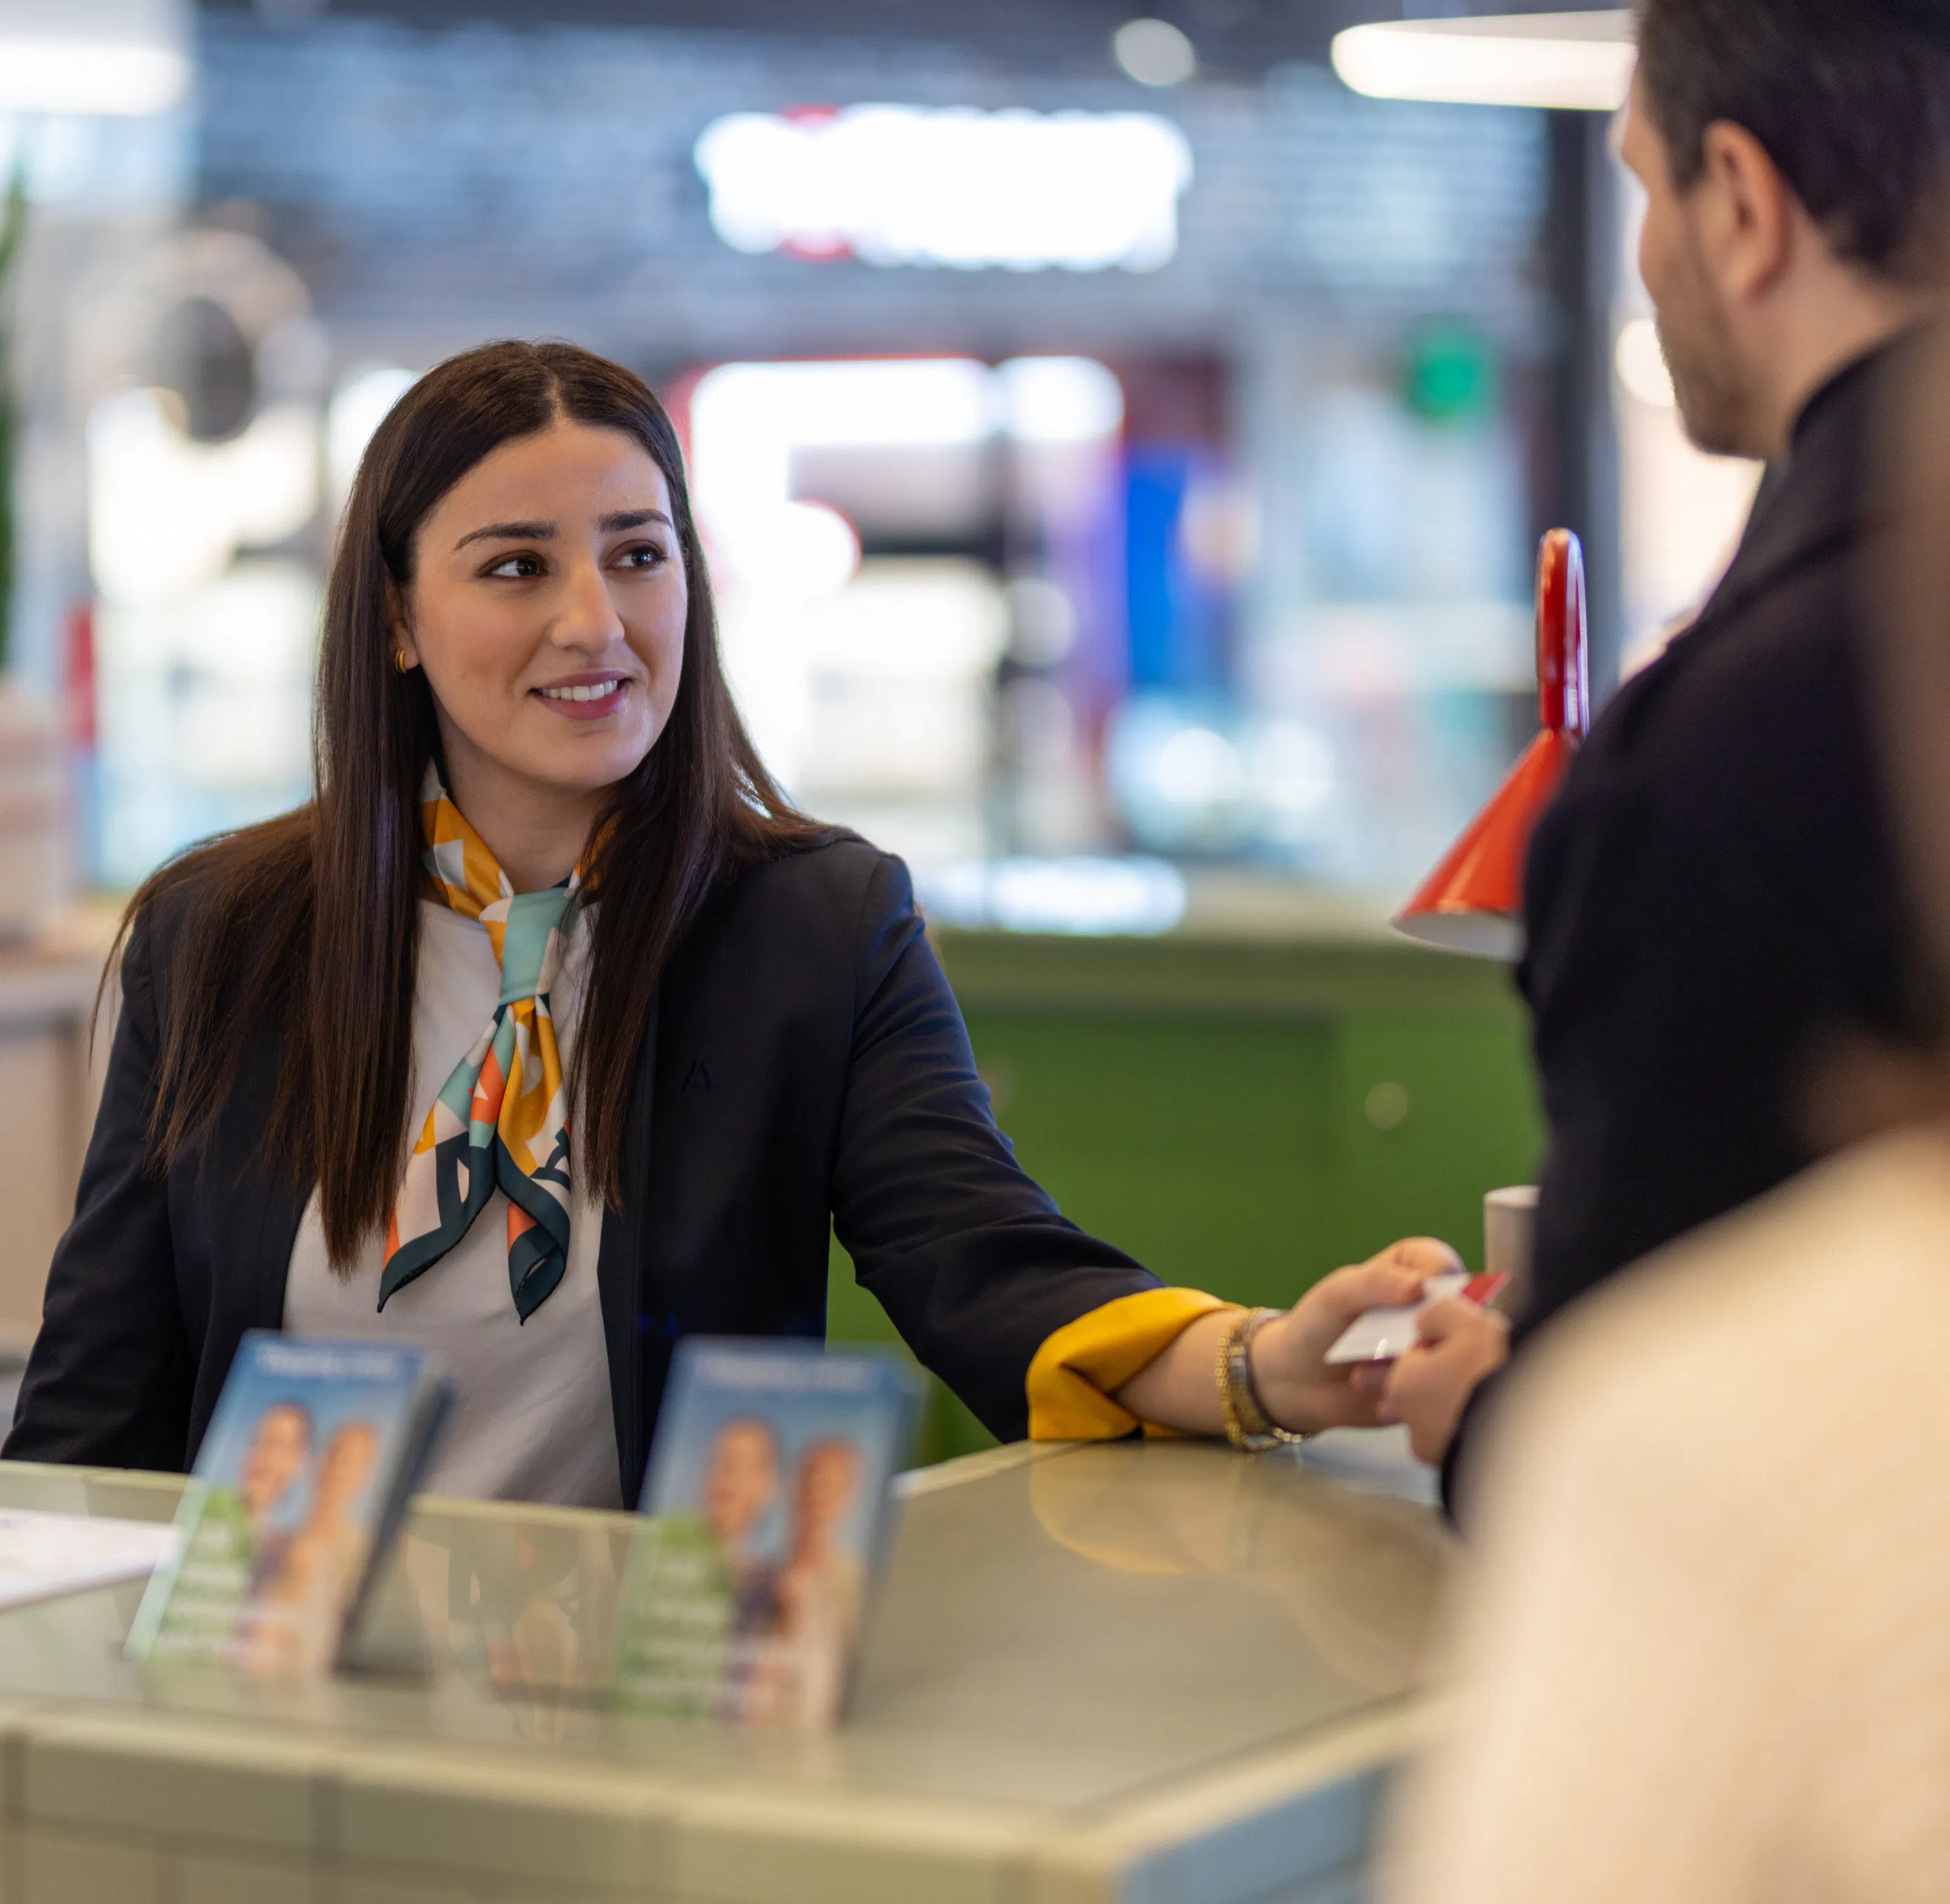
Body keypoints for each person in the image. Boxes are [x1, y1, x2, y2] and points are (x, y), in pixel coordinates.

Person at [6, 337, 1457, 1508]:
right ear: (394, 617)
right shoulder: (222, 934)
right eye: (517, 566)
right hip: (255, 1709)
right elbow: (98, 1402)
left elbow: (986, 1267)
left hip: (647, 1712)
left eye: (638, 553)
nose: (597, 620)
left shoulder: (815, 928)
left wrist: (1264, 1366)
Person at [1379, 0, 1950, 1514]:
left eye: (1643, 185)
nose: (1642, 255)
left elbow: (1658, 1476)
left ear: (1746, 207)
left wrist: (1492, 1418)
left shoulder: (1717, 755)